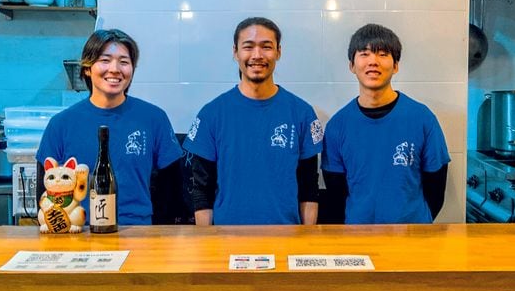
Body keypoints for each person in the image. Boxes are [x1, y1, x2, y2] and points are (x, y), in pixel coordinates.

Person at [35, 29, 187, 226]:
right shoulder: (61, 124)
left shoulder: (153, 118)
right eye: (105, 60)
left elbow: (172, 190)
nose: (115, 69)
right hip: (79, 233)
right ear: (87, 68)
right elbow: (44, 193)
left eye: (124, 62)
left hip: (138, 233)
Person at [186, 17, 322, 226]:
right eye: (248, 47)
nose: (257, 55)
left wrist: (305, 240)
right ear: (235, 52)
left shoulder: (301, 112)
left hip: (286, 238)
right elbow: (201, 190)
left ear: (278, 52)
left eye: (266, 47)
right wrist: (207, 243)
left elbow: (308, 188)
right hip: (226, 241)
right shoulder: (211, 114)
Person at [320, 23, 450, 225]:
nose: (373, 61)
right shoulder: (338, 125)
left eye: (382, 54)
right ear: (352, 66)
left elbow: (436, 187)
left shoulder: (422, 118)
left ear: (396, 65)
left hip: (412, 237)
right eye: (364, 54)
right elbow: (336, 192)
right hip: (357, 238)